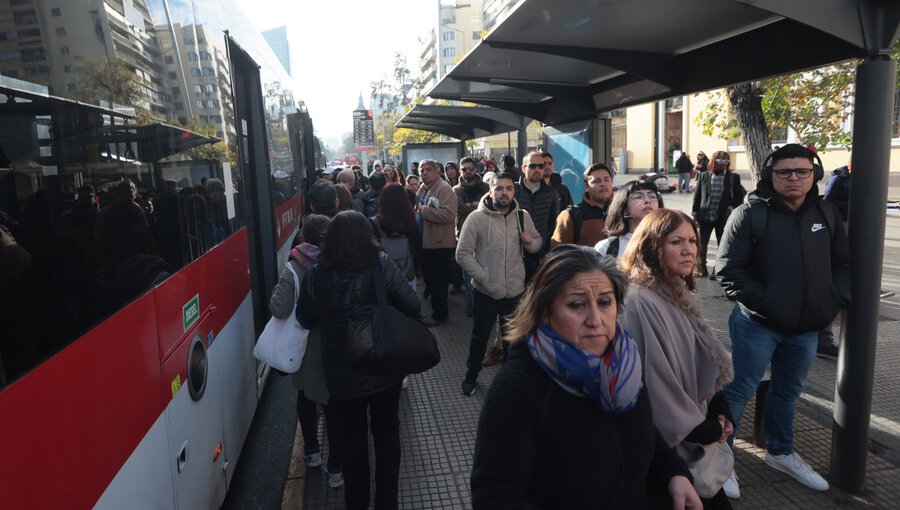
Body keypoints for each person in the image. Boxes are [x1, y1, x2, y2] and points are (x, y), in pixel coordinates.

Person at [470, 245, 701, 509]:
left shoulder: (625, 362)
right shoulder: (516, 389)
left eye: (605, 302)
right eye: (577, 305)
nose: (595, 319)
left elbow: (643, 429)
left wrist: (674, 472)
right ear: (545, 311)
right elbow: (495, 495)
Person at [715, 144, 850, 496]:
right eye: (784, 172)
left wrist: (834, 301)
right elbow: (728, 270)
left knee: (788, 392)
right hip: (756, 324)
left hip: (806, 328)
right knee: (739, 390)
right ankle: (720, 459)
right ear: (770, 176)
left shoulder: (828, 213)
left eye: (802, 171)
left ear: (815, 175)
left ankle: (780, 451)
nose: (793, 178)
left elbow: (841, 264)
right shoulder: (749, 214)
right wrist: (770, 304)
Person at [297, 211, 420, 510]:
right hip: (383, 365)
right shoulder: (381, 264)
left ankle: (357, 503)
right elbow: (413, 304)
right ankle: (387, 502)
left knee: (352, 440)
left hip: (341, 373)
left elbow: (305, 317)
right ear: (368, 235)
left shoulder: (315, 274)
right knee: (387, 432)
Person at [619, 209, 735, 509]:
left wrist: (719, 407)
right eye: (675, 242)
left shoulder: (672, 289)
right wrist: (700, 429)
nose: (688, 250)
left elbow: (694, 357)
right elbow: (652, 383)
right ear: (651, 245)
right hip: (669, 450)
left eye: (692, 241)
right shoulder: (639, 300)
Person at [268, 214, 343, 488]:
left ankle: (311, 453)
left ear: (303, 237)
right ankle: (336, 468)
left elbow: (279, 308)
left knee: (305, 397)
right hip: (336, 347)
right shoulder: (342, 262)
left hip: (304, 349)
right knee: (334, 408)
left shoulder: (294, 266)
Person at [456, 171, 541, 395]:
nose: (504, 193)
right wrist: (484, 277)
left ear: (514, 191)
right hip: (485, 291)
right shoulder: (476, 218)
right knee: (479, 338)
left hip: (515, 290)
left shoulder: (522, 216)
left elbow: (537, 242)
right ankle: (471, 375)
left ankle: (508, 381)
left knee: (513, 340)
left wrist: (531, 243)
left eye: (509, 188)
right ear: (491, 190)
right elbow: (462, 253)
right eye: (499, 188)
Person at [416, 159, 459, 327]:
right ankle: (438, 312)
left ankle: (440, 315)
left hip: (440, 245)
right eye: (421, 170)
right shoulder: (424, 188)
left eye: (428, 169)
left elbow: (449, 215)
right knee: (432, 280)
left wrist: (424, 211)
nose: (424, 173)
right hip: (428, 243)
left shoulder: (444, 188)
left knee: (439, 283)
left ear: (437, 171)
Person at [692, 151, 745, 278]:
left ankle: (718, 270)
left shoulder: (733, 178)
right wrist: (695, 214)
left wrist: (731, 209)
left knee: (722, 245)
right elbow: (697, 196)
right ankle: (701, 269)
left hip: (723, 217)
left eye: (726, 161)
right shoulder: (704, 176)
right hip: (705, 216)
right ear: (713, 161)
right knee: (701, 244)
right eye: (720, 161)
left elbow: (739, 199)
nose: (723, 164)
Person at [515, 151, 560, 281]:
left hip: (540, 253)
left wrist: (544, 251)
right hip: (515, 252)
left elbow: (553, 224)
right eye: (533, 166)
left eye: (541, 166)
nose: (538, 170)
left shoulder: (551, 193)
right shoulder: (514, 189)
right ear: (524, 168)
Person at [453, 157, 490, 315]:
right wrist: (477, 206)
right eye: (464, 169)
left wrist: (473, 205)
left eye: (470, 169)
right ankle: (472, 302)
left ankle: (485, 300)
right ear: (460, 171)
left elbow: (491, 206)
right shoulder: (456, 190)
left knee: (486, 267)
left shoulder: (487, 186)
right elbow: (460, 209)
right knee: (468, 272)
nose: (468, 172)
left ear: (476, 169)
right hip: (464, 233)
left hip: (487, 233)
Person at [551, 162, 614, 248]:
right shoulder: (570, 216)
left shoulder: (625, 212)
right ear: (587, 186)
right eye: (597, 181)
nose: (603, 184)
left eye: (606, 179)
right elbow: (558, 255)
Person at [595, 180, 663, 258]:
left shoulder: (667, 243)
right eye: (638, 197)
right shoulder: (606, 248)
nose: (648, 200)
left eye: (652, 196)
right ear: (624, 208)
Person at [372, 184, 420, 289]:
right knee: (410, 303)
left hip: (383, 275)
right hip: (407, 272)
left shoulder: (373, 223)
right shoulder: (411, 221)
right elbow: (416, 247)